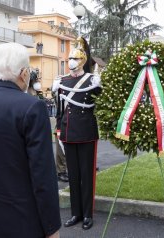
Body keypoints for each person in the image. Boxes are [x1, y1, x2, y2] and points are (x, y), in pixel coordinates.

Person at [0, 42, 61, 238]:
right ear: (24, 73)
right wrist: (52, 227)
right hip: (24, 220)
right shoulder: (32, 106)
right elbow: (43, 173)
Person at [55, 37, 101, 230]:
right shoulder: (62, 81)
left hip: (86, 132)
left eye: (74, 58)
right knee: (73, 175)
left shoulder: (92, 80)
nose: (71, 62)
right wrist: (58, 129)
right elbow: (60, 108)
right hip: (68, 132)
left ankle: (88, 214)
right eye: (69, 59)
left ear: (82, 60)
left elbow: (100, 104)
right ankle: (76, 213)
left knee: (87, 174)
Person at [52, 76, 69, 183]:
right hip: (61, 125)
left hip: (69, 125)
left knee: (66, 150)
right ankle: (60, 172)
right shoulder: (58, 92)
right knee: (61, 151)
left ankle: (64, 170)